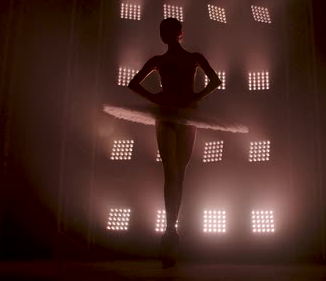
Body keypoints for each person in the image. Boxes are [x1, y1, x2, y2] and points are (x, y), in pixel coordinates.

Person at [103, 18, 247, 267]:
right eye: (162, 31)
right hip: (170, 114)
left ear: (178, 33)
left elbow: (215, 81)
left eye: (167, 30)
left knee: (177, 172)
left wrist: (191, 96)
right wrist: (162, 98)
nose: (164, 34)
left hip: (183, 114)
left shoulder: (190, 57)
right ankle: (170, 231)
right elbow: (133, 83)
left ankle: (172, 230)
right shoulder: (159, 61)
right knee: (172, 171)